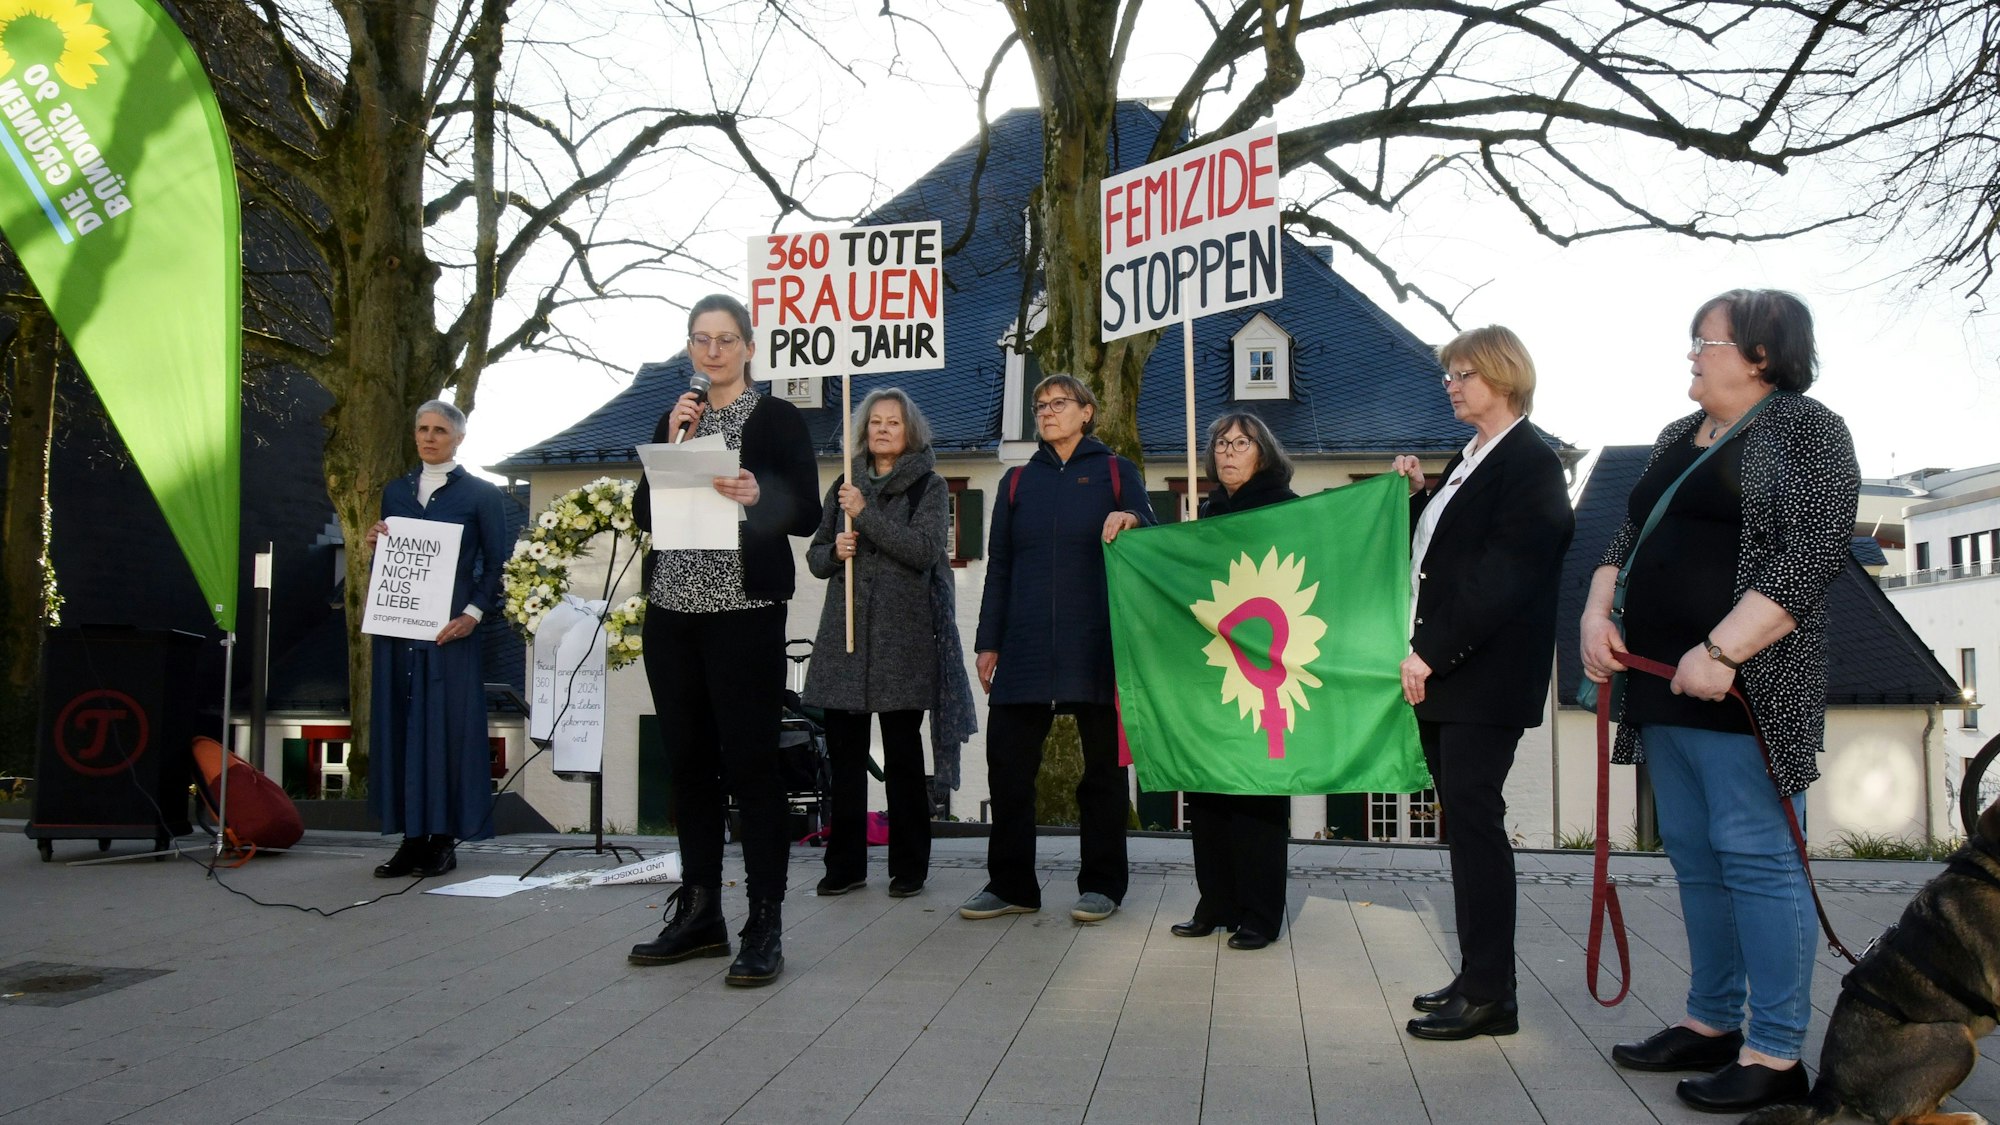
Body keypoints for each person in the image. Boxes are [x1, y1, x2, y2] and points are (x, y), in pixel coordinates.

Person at [1583, 290, 1858, 1113]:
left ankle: (1775, 1053)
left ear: (1761, 355)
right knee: (1697, 859)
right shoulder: (1679, 433)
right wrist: (1597, 613)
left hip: (1745, 691)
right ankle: (1711, 1022)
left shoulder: (1808, 429)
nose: (1692, 355)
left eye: (1704, 342)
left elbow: (1810, 554)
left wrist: (1722, 649)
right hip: (1662, 687)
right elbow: (1627, 536)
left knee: (1761, 862)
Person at [627, 294, 820, 987]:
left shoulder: (778, 419)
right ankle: (701, 911)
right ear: (690, 348)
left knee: (751, 765)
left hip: (744, 611)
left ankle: (764, 920)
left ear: (748, 347)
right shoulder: (676, 416)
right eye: (701, 339)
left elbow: (807, 511)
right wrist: (675, 441)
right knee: (688, 766)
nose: (713, 351)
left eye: (726, 339)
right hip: (673, 611)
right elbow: (644, 511)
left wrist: (758, 496)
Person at [1391, 325, 1574, 1041]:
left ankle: (1492, 992)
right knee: (1464, 828)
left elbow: (1505, 576)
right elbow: (1441, 555)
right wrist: (1419, 496)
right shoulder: (1468, 458)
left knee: (1476, 826)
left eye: (1463, 373)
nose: (1451, 385)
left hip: (1483, 676)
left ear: (1503, 376)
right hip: (1451, 674)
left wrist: (1430, 652)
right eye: (1449, 374)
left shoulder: (1531, 463)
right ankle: (1478, 978)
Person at [962, 374, 1156, 923]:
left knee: (1103, 774)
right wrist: (988, 642)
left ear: (1087, 412)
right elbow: (1000, 566)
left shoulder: (1117, 472)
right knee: (1007, 768)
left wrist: (1133, 518)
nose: (1047, 412)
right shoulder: (1017, 482)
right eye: (1040, 405)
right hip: (1024, 645)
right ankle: (1012, 886)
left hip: (1098, 640)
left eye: (1059, 403)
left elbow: (1153, 535)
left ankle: (1102, 885)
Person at [802, 388, 973, 899]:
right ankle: (845, 865)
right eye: (875, 421)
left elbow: (923, 550)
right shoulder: (844, 482)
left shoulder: (930, 487)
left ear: (909, 432)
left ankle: (909, 867)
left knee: (902, 761)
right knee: (846, 762)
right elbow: (815, 557)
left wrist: (866, 515)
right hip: (845, 643)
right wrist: (835, 550)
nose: (882, 429)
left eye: (892, 423)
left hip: (903, 644)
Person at [366, 400, 510, 879]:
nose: (429, 438)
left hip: (451, 632)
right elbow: (394, 561)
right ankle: (410, 840)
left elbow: (498, 563)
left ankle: (443, 841)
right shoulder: (395, 492)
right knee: (403, 726)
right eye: (422, 429)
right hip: (400, 630)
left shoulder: (481, 495)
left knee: (447, 729)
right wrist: (377, 544)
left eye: (440, 431)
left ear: (458, 438)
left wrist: (473, 614)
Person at [1171, 411, 1299, 950]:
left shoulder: (1288, 508)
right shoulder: (1208, 511)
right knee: (1206, 789)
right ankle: (1216, 902)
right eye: (1221, 444)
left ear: (1263, 452)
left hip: (1266, 669)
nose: (1227, 451)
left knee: (1257, 793)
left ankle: (1260, 913)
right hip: (1213, 668)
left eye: (1241, 442)